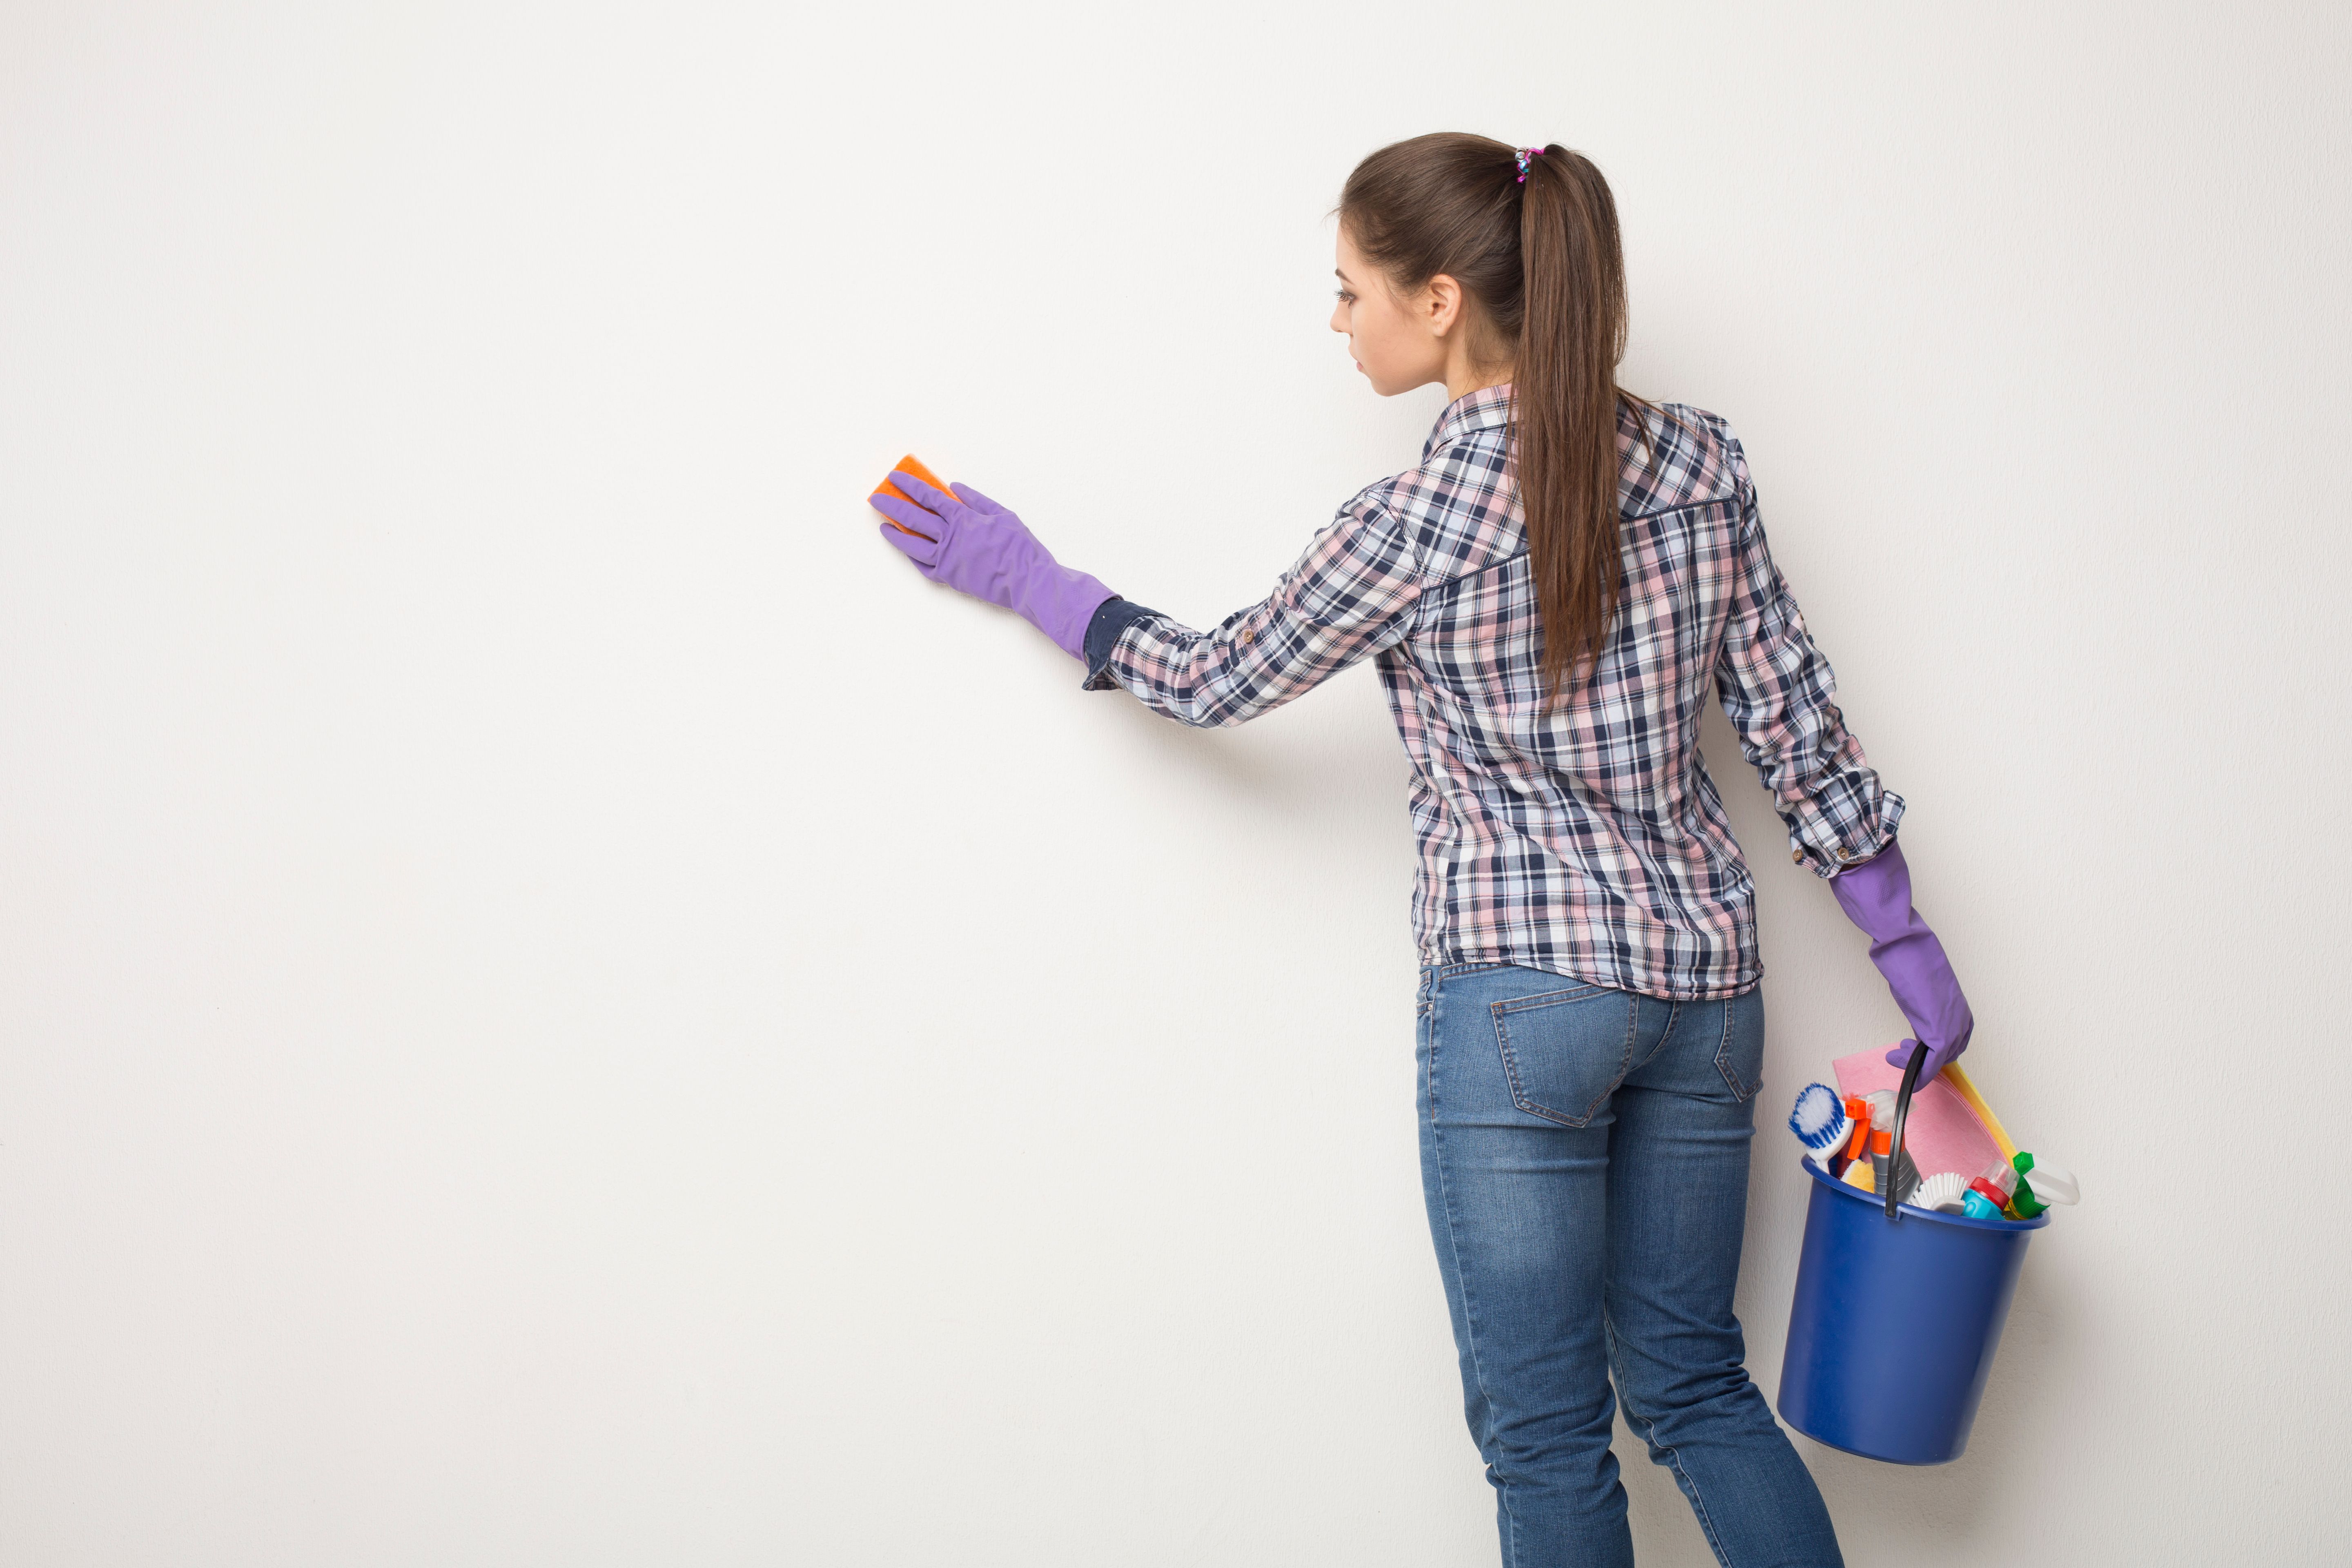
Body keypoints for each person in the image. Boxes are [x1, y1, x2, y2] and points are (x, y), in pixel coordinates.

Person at [868, 132, 1973, 1568]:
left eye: (1350, 292)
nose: (1338, 323)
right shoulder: (1702, 463)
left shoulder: (1416, 520)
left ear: (1440, 300)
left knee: (1545, 1437)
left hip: (1520, 1005)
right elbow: (1794, 721)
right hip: (1707, 990)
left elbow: (1214, 680)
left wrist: (1037, 582)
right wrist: (1903, 941)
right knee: (1697, 1389)